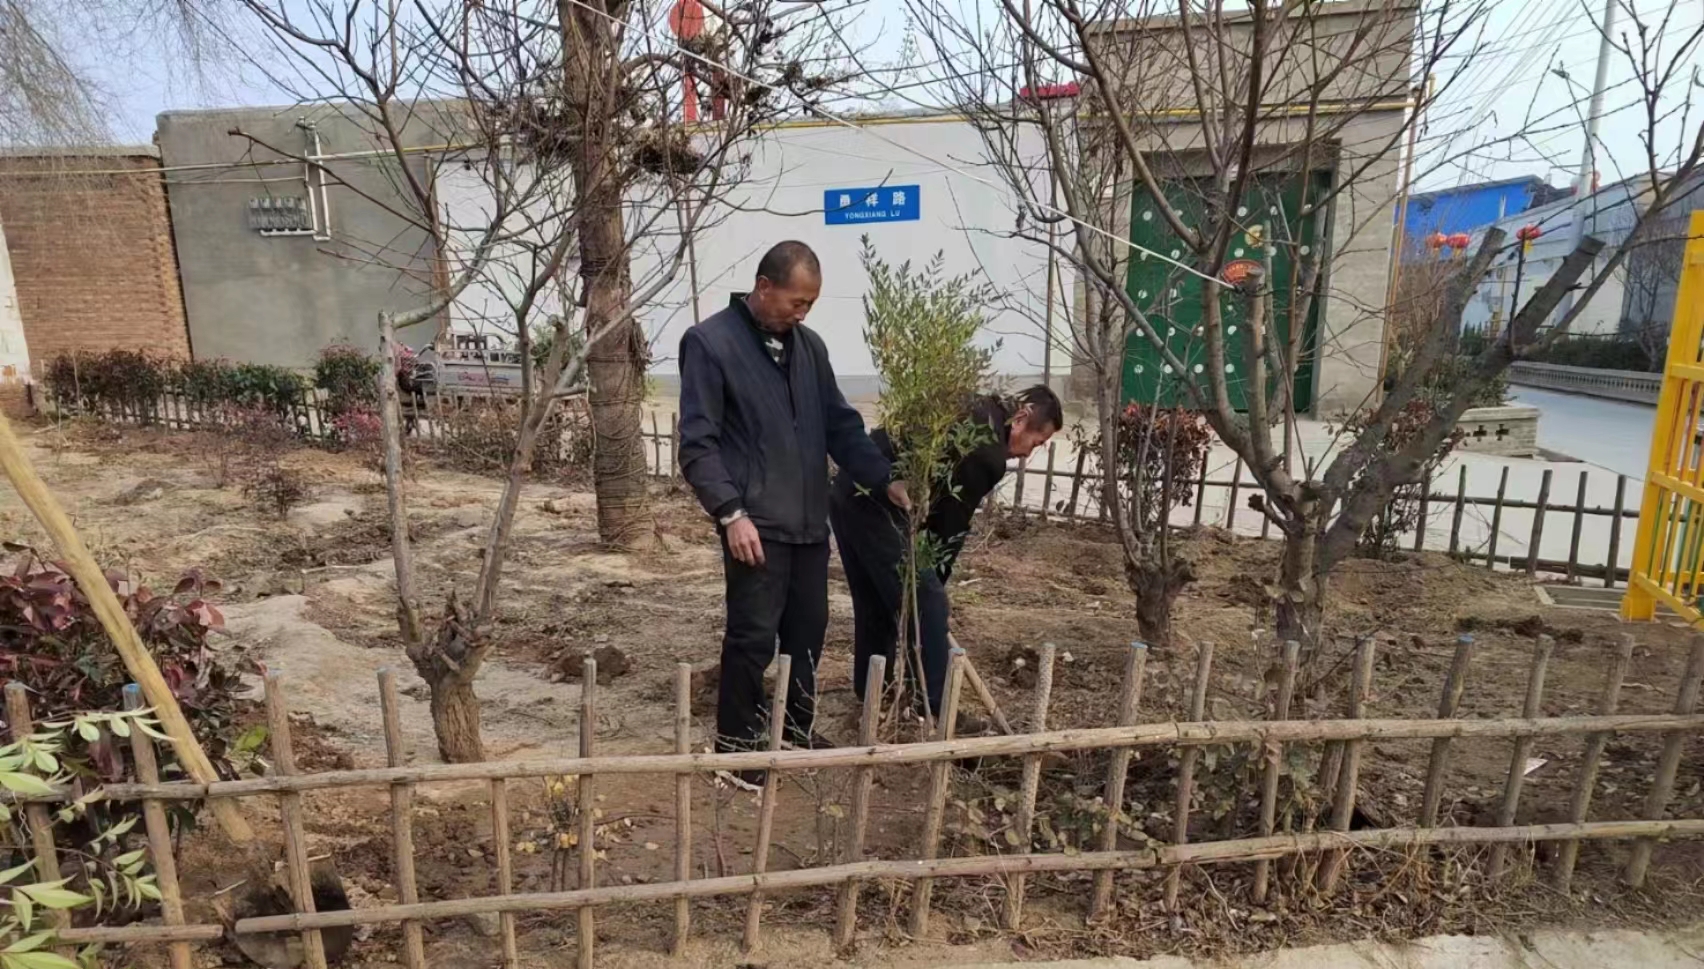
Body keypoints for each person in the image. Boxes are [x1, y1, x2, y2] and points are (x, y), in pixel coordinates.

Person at [678, 240, 909, 785]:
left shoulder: (810, 349)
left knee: (808, 632)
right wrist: (730, 513)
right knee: (752, 637)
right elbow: (698, 444)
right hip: (755, 525)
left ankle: (792, 729)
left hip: (808, 521)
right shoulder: (711, 343)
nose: (802, 313)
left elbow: (840, 426)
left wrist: (884, 479)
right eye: (796, 302)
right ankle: (737, 749)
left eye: (810, 304)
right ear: (764, 287)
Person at [829, 386, 1062, 721]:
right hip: (878, 503)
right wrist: (931, 589)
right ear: (1021, 418)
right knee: (926, 599)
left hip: (850, 491)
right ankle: (933, 706)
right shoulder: (987, 453)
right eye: (1036, 443)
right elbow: (948, 528)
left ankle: (874, 694)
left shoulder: (975, 404)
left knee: (877, 600)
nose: (1028, 454)